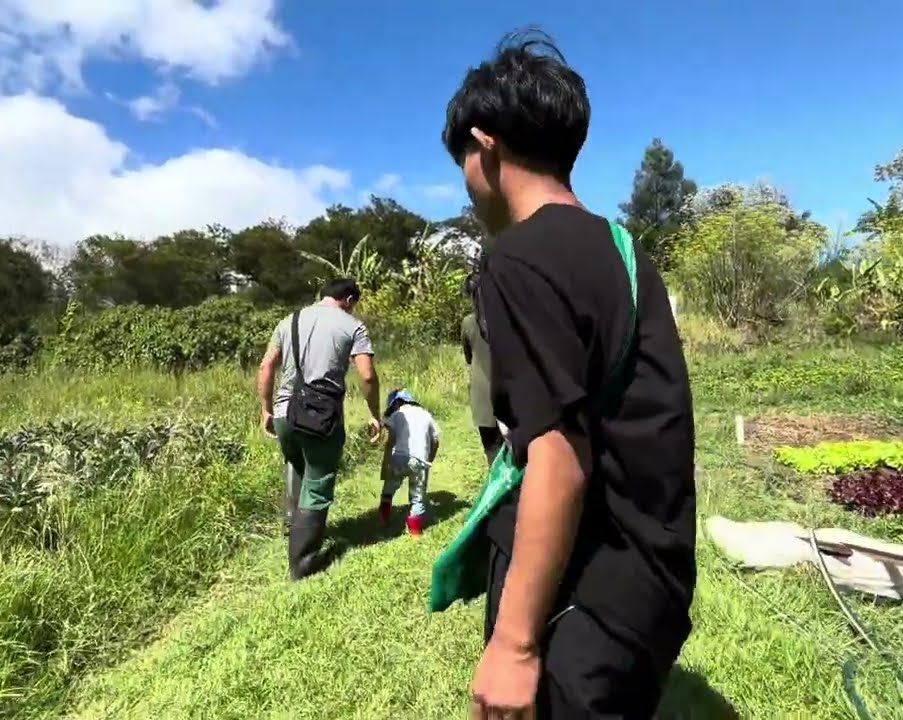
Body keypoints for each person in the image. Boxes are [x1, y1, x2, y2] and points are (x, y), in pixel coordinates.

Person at [441, 31, 698, 718]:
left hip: (584, 600)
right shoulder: (623, 249)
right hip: (653, 580)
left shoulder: (516, 258)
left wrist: (514, 644)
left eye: (462, 162)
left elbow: (558, 454)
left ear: (484, 145)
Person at [257, 277, 383, 581]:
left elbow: (266, 366)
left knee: (297, 464)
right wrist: (374, 414)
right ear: (349, 300)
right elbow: (366, 376)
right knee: (318, 480)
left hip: (285, 412)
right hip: (320, 416)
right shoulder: (353, 326)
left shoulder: (288, 321)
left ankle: (293, 528)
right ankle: (303, 563)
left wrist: (266, 409)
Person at [377, 388, 441, 537]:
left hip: (399, 458)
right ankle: (415, 532)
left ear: (395, 403)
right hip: (420, 461)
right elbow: (436, 440)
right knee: (418, 497)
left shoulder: (397, 415)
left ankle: (383, 520)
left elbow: (390, 441)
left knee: (388, 489)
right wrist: (429, 459)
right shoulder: (426, 415)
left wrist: (386, 464)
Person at [462, 273, 503, 467]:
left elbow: (468, 358)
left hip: (483, 396)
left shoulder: (469, 323)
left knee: (492, 455)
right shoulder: (507, 319)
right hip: (510, 392)